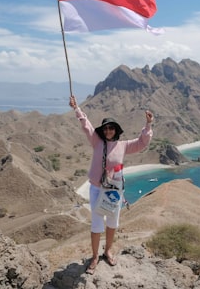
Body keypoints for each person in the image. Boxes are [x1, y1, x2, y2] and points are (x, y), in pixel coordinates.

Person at [69, 95, 154, 274]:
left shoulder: (123, 146)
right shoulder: (97, 141)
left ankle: (107, 251)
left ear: (116, 130)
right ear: (103, 130)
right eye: (106, 128)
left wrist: (148, 125)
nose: (108, 131)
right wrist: (77, 109)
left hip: (114, 191)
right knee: (96, 224)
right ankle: (94, 257)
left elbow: (142, 143)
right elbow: (87, 126)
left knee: (112, 223)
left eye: (111, 128)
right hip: (97, 189)